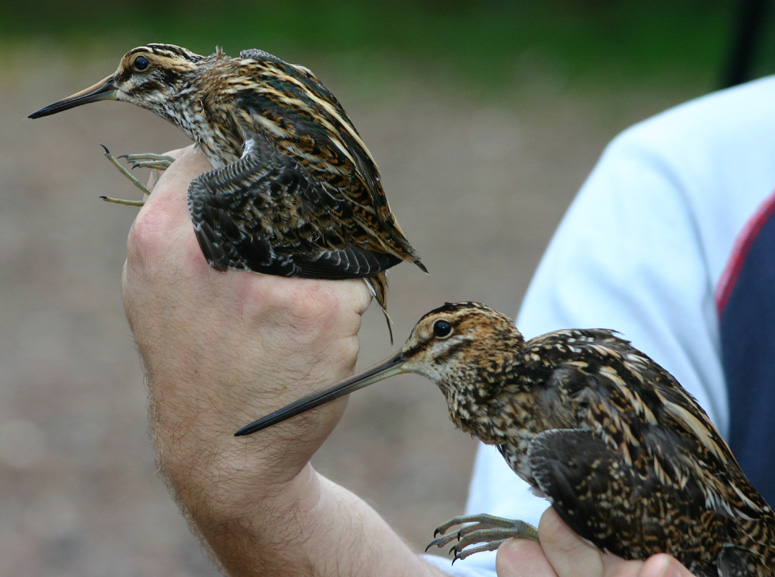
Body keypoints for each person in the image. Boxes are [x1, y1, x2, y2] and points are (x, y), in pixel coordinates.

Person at [121, 73, 775, 576]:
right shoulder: (674, 185)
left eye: (432, 341)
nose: (407, 357)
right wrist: (245, 488)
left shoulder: (548, 432)